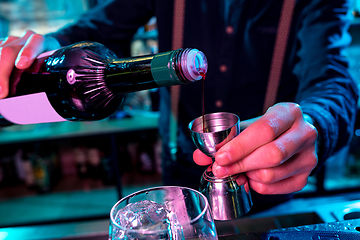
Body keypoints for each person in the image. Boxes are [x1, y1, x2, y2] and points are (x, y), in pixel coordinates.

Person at [0, 0, 358, 213]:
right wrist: (48, 47)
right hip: (181, 172)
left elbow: (334, 80)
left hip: (269, 185)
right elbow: (100, 26)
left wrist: (313, 124)